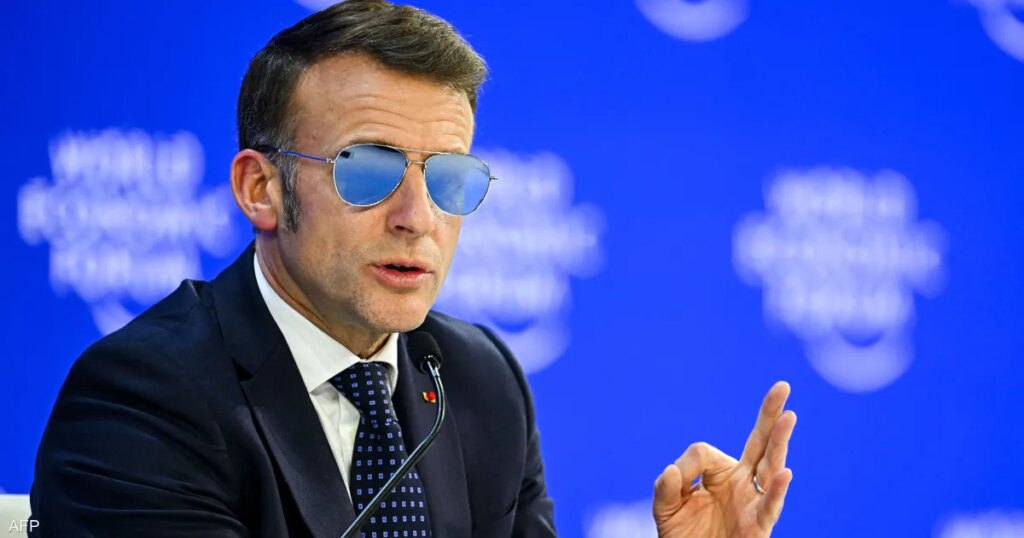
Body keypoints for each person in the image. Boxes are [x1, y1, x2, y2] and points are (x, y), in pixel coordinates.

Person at [29, 1, 796, 536]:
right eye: (367, 170)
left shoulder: (480, 380)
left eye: (449, 178)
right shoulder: (144, 399)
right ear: (261, 189)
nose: (417, 216)